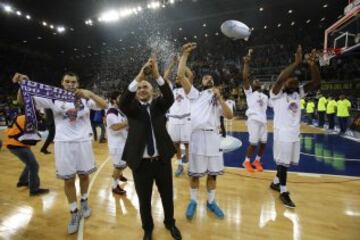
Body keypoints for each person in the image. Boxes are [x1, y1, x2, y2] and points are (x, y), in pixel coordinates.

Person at [13, 72, 107, 234]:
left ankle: (84, 201)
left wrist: (90, 93)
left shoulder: (84, 98)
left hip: (83, 142)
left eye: (73, 82)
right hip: (63, 143)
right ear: (62, 83)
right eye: (67, 81)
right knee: (68, 179)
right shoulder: (53, 97)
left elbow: (105, 105)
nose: (70, 84)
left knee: (84, 176)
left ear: (77, 83)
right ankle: (73, 212)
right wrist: (23, 86)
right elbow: (23, 100)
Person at [119, 56, 182, 240]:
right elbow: (123, 101)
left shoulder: (159, 106)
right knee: (144, 200)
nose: (141, 90)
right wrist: (139, 76)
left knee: (167, 196)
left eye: (145, 86)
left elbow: (169, 96)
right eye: (139, 88)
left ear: (152, 91)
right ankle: (148, 228)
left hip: (162, 161)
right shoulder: (131, 109)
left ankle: (170, 223)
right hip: (141, 164)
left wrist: (156, 75)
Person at [177, 43, 233, 220]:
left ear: (215, 82)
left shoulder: (220, 98)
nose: (208, 79)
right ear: (201, 82)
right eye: (205, 78)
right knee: (194, 174)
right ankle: (193, 201)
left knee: (213, 174)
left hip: (213, 138)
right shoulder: (195, 94)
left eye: (211, 78)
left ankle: (211, 202)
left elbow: (230, 115)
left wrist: (219, 97)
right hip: (197, 137)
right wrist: (184, 55)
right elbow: (180, 76)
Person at [270, 46, 321, 208]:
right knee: (283, 163)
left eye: (296, 79)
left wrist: (312, 65)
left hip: (293, 134)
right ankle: (283, 192)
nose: (294, 80)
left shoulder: (298, 93)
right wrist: (296, 63)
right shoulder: (276, 94)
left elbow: (316, 83)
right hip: (282, 133)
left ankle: (276, 182)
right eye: (290, 79)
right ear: (285, 82)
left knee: (286, 162)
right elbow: (279, 79)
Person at [4, 114, 49, 196]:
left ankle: (23, 181)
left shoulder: (20, 117)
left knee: (29, 164)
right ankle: (34, 190)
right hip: (18, 145)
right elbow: (43, 127)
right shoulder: (29, 119)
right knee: (34, 165)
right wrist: (43, 119)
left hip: (13, 144)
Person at [164, 56, 192, 177]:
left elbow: (190, 74)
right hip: (173, 120)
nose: (176, 79)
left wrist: (181, 62)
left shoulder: (188, 88)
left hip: (186, 119)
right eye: (175, 78)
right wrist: (172, 64)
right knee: (176, 145)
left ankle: (191, 166)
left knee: (187, 144)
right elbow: (164, 78)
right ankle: (180, 165)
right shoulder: (171, 89)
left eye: (178, 77)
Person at [241, 50, 269, 173]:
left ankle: (257, 161)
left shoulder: (265, 97)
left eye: (258, 81)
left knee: (264, 143)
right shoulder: (249, 93)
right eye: (254, 81)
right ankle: (246, 161)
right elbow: (245, 77)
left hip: (263, 121)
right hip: (253, 120)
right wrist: (246, 64)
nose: (256, 81)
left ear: (261, 85)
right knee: (253, 143)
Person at [106, 91, 128, 195]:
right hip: (117, 145)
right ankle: (114, 186)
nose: (122, 99)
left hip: (122, 142)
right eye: (120, 97)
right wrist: (130, 121)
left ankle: (119, 174)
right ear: (114, 100)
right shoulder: (111, 112)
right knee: (118, 166)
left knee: (124, 163)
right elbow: (115, 127)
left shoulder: (119, 110)